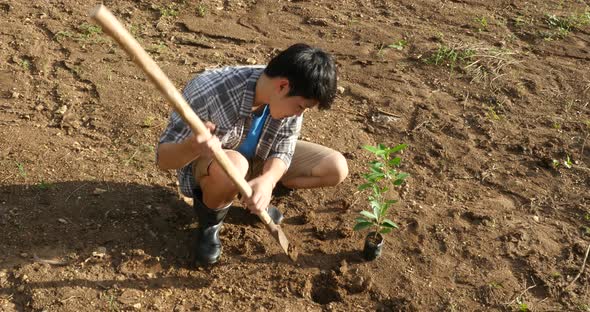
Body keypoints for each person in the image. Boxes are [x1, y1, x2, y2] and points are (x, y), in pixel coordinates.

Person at [157, 43, 348, 266]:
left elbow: (284, 147)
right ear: (283, 86)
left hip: (258, 159)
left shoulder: (289, 90)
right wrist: (192, 147)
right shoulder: (208, 90)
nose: (300, 113)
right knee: (235, 166)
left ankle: (256, 194)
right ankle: (210, 223)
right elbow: (163, 159)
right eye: (300, 107)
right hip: (217, 167)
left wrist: (268, 181)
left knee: (336, 167)